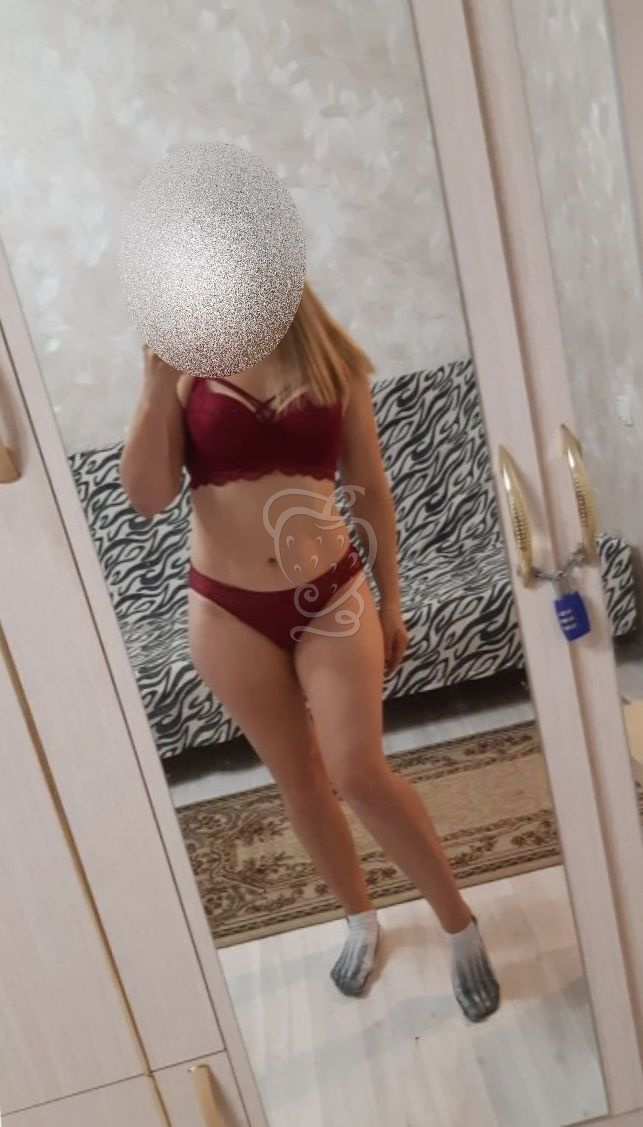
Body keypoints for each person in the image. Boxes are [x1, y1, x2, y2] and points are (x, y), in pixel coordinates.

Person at [120, 282, 500, 1020]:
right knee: (299, 781)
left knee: (359, 773)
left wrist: (392, 598)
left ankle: (460, 924)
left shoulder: (330, 358)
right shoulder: (188, 363)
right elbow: (146, 496)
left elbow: (369, 486)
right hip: (226, 611)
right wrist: (153, 385)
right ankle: (358, 919)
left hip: (332, 595)